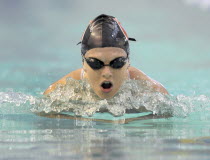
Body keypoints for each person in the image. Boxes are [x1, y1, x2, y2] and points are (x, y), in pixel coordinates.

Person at [44, 14, 168, 99]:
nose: (107, 73)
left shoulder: (151, 92)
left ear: (128, 63)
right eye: (96, 63)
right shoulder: (59, 92)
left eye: (117, 63)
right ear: (84, 64)